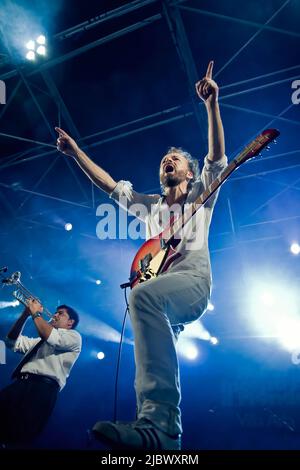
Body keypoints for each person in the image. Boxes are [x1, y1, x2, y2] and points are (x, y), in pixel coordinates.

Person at [55, 61, 226, 450]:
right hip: (159, 290)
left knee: (142, 298)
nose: (168, 161)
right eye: (164, 160)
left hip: (193, 285)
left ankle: (165, 423)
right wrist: (77, 151)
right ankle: (149, 428)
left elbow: (217, 156)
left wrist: (211, 104)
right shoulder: (149, 206)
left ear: (188, 171)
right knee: (147, 347)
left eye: (176, 159)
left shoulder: (203, 194)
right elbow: (109, 184)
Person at [0, 299, 81, 445]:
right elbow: (11, 341)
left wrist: (35, 313)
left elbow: (52, 338)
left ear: (70, 323)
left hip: (43, 389)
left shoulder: (74, 337)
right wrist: (25, 315)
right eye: (55, 312)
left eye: (60, 314)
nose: (55, 315)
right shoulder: (39, 341)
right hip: (20, 384)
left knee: (19, 434)